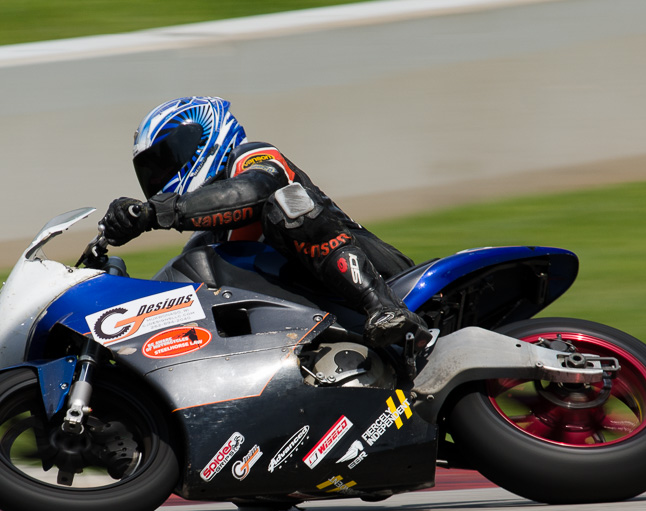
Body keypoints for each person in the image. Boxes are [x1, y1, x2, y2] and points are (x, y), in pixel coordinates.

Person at [101, 96, 429, 350]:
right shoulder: (207, 244)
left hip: (390, 277)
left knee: (287, 204)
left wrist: (153, 212)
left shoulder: (253, 157)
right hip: (319, 319)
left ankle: (383, 306)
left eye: (165, 161)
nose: (158, 178)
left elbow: (255, 190)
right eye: (150, 172)